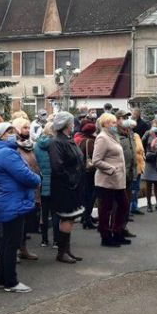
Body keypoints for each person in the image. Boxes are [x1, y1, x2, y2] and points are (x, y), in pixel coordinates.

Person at [0, 122, 41, 293]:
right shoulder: (6, 153)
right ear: (1, 135)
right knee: (11, 244)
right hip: (13, 201)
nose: (14, 134)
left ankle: (1, 279)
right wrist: (37, 179)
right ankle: (11, 282)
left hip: (10, 200)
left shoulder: (2, 151)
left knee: (7, 243)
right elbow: (25, 175)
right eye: (10, 131)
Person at [48, 112, 86, 263]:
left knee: (70, 219)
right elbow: (58, 167)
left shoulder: (68, 140)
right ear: (66, 125)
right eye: (71, 123)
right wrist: (71, 180)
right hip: (64, 187)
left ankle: (67, 251)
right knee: (66, 218)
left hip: (73, 186)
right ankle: (61, 252)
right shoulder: (56, 142)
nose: (73, 125)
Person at [93, 113, 129, 247]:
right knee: (106, 209)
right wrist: (111, 168)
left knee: (123, 206)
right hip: (106, 180)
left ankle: (117, 232)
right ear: (105, 124)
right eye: (112, 123)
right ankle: (106, 236)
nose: (115, 125)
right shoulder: (102, 138)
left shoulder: (113, 136)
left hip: (117, 180)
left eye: (115, 122)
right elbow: (96, 160)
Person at [11, 117, 41, 261]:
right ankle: (15, 250)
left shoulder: (29, 145)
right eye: (24, 128)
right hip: (20, 189)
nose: (28, 130)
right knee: (17, 222)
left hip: (31, 187)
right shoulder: (14, 146)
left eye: (29, 127)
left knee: (25, 222)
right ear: (16, 129)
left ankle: (23, 249)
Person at [34, 123, 58, 248]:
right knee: (55, 213)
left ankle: (44, 240)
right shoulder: (56, 144)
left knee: (44, 212)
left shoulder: (36, 145)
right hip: (55, 183)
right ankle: (56, 241)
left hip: (42, 182)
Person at [141, 119, 157, 212]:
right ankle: (149, 204)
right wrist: (145, 154)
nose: (155, 127)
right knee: (148, 183)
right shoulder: (148, 133)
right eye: (154, 125)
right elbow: (142, 144)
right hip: (148, 160)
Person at [77, 122, 98, 229]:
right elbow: (94, 157)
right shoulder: (90, 142)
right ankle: (87, 219)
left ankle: (85, 217)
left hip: (83, 172)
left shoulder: (81, 140)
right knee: (91, 196)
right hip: (90, 172)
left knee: (86, 196)